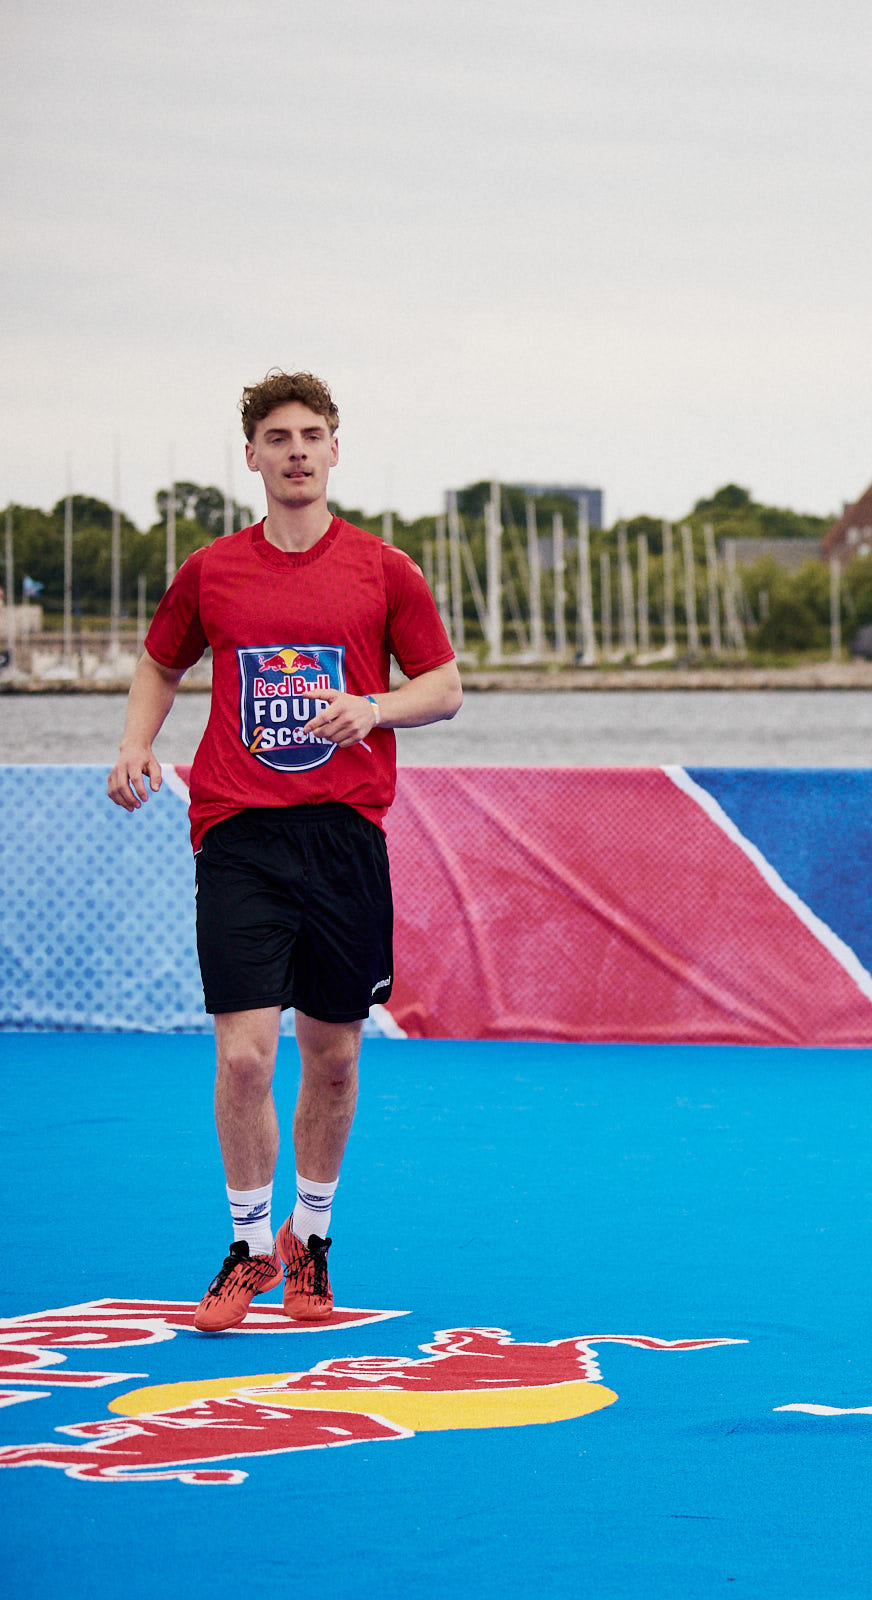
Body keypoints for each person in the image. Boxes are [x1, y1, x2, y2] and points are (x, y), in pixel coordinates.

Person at [106, 371, 461, 1332]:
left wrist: (374, 707)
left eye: (311, 435)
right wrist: (136, 743)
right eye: (277, 437)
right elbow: (160, 661)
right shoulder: (212, 571)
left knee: (333, 1059)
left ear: (335, 450)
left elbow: (443, 686)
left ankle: (312, 1239)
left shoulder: (385, 570)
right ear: (253, 456)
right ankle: (248, 1247)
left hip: (344, 834)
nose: (296, 450)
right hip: (239, 833)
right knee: (244, 1061)